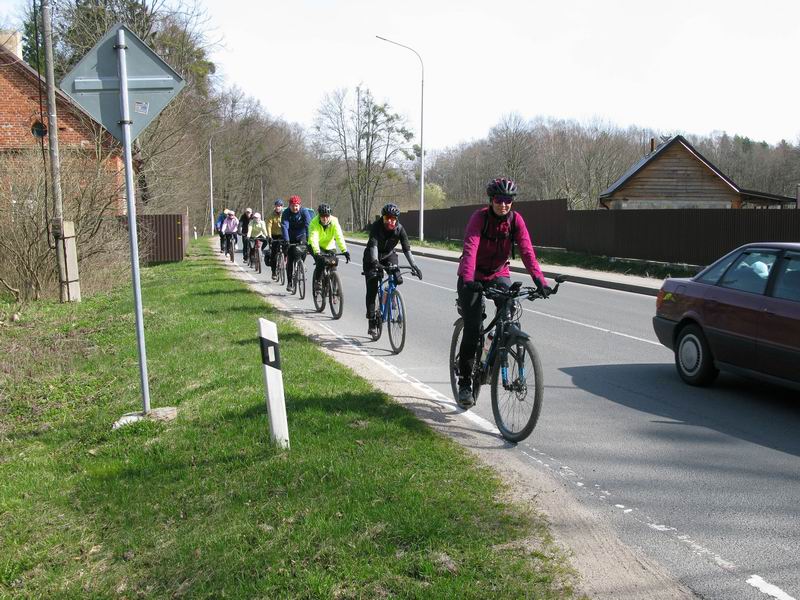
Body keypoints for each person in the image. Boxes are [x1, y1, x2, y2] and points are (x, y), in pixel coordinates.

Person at [455, 177, 551, 409]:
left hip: (498, 272)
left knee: (510, 308)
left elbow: (527, 252)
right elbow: (470, 248)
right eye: (499, 200)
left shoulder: (516, 221)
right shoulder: (480, 218)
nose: (504, 204)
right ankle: (465, 381)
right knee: (473, 326)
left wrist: (540, 281)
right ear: (491, 200)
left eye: (508, 200)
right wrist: (468, 280)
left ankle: (495, 346)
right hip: (474, 275)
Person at [363, 203, 422, 338]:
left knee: (397, 276)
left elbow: (407, 249)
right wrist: (375, 262)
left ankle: (390, 294)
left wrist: (414, 266)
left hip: (389, 255)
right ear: (383, 218)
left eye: (393, 218)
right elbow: (373, 246)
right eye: (387, 218)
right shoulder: (377, 227)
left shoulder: (400, 229)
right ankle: (372, 321)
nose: (390, 221)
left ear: (396, 219)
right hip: (372, 256)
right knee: (372, 287)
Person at [309, 203, 350, 292]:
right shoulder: (314, 223)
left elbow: (339, 236)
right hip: (315, 245)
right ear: (319, 216)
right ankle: (318, 281)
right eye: (323, 216)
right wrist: (317, 252)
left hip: (329, 245)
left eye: (327, 216)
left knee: (333, 263)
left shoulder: (334, 221)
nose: (325, 218)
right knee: (320, 261)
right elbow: (314, 238)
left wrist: (344, 250)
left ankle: (334, 290)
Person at [281, 195, 313, 291]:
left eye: (296, 206)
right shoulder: (286, 212)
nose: (295, 208)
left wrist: (308, 240)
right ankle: (290, 282)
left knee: (303, 250)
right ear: (290, 205)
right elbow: (284, 226)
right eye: (293, 206)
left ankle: (301, 264)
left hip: (301, 235)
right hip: (290, 236)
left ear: (300, 205)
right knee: (290, 260)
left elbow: (308, 225)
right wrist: (286, 240)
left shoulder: (304, 211)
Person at [266, 199, 285, 280]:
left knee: (287, 249)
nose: (278, 207)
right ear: (275, 206)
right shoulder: (271, 215)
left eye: (279, 206)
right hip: (274, 236)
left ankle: (285, 261)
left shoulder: (285, 214)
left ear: (282, 207)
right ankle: (273, 272)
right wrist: (269, 237)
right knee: (274, 254)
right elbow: (269, 226)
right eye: (277, 206)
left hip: (283, 235)